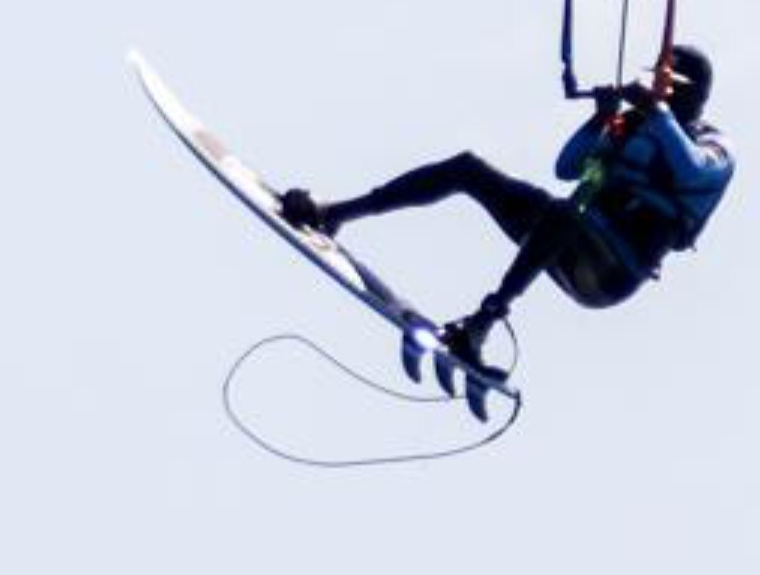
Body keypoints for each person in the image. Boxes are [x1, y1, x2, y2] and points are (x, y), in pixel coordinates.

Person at [277, 42, 733, 372]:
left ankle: (481, 325)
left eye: (666, 86)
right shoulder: (637, 123)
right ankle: (336, 213)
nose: (656, 91)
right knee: (468, 169)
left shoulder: (712, 145)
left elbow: (694, 171)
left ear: (688, 94)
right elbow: (567, 167)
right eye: (656, 83)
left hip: (608, 273)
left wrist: (657, 112)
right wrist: (601, 116)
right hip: (568, 238)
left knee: (561, 215)